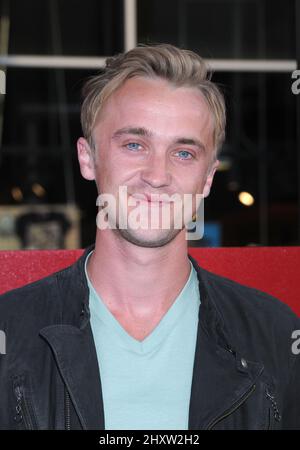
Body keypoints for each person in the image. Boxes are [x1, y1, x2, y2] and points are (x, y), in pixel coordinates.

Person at [0, 44, 300, 430]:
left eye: (184, 153)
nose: (157, 175)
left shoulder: (274, 334)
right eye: (134, 145)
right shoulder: (11, 331)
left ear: (207, 178)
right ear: (87, 158)